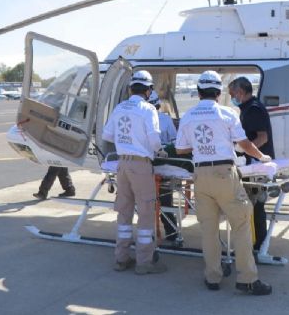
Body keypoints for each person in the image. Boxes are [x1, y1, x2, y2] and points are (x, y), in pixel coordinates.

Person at [175, 70, 273, 295]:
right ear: (219, 93)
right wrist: (262, 157)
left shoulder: (188, 116)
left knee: (208, 229)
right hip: (224, 174)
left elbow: (180, 149)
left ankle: (213, 277)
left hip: (200, 175)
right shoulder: (227, 114)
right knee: (240, 224)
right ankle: (247, 278)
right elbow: (245, 144)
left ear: (199, 92)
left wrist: (200, 147)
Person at [102, 70, 166, 275]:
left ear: (131, 89)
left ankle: (121, 258)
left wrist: (127, 142)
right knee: (146, 212)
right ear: (148, 90)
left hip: (122, 164)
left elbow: (107, 135)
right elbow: (155, 140)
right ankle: (144, 262)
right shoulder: (148, 109)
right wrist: (160, 151)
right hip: (140, 165)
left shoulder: (119, 108)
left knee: (124, 211)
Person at [228, 76, 274, 253]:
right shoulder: (247, 108)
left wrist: (246, 150)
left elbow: (262, 137)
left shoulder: (253, 109)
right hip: (253, 162)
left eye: (233, 94)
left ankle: (258, 244)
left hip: (255, 165)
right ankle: (256, 243)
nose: (232, 97)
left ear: (240, 92)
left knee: (254, 206)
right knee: (253, 205)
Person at [148, 91, 178, 242]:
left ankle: (149, 234)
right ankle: (171, 232)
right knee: (166, 201)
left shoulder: (140, 118)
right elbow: (174, 142)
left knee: (146, 202)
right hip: (164, 165)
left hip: (145, 164)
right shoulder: (165, 119)